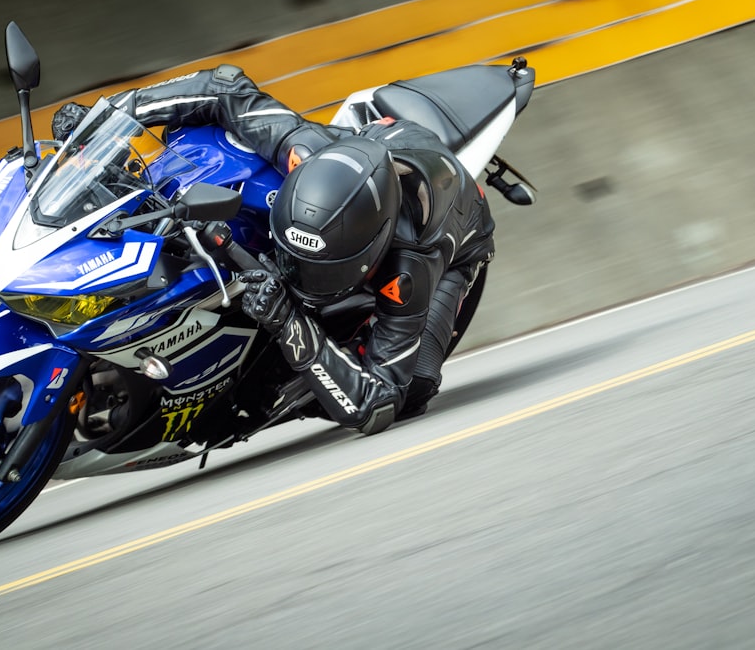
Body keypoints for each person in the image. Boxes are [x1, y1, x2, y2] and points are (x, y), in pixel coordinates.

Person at [52, 64, 495, 435]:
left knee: (413, 391)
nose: (297, 274)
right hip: (372, 147)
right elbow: (225, 87)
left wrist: (288, 321)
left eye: (317, 271)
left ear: (369, 256)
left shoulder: (408, 268)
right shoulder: (302, 150)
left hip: (457, 240)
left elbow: (378, 401)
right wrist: (105, 120)